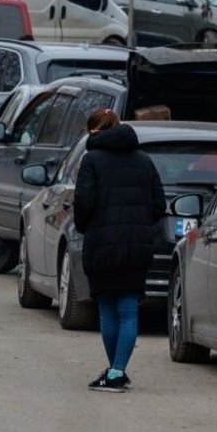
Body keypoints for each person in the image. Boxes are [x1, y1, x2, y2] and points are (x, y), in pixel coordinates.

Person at [72, 109, 165, 392]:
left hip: (102, 244)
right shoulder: (145, 161)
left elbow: (83, 203)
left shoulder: (92, 160)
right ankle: (116, 371)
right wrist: (138, 227)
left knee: (107, 309)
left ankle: (114, 372)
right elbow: (158, 206)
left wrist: (86, 226)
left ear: (96, 132)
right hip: (137, 246)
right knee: (128, 309)